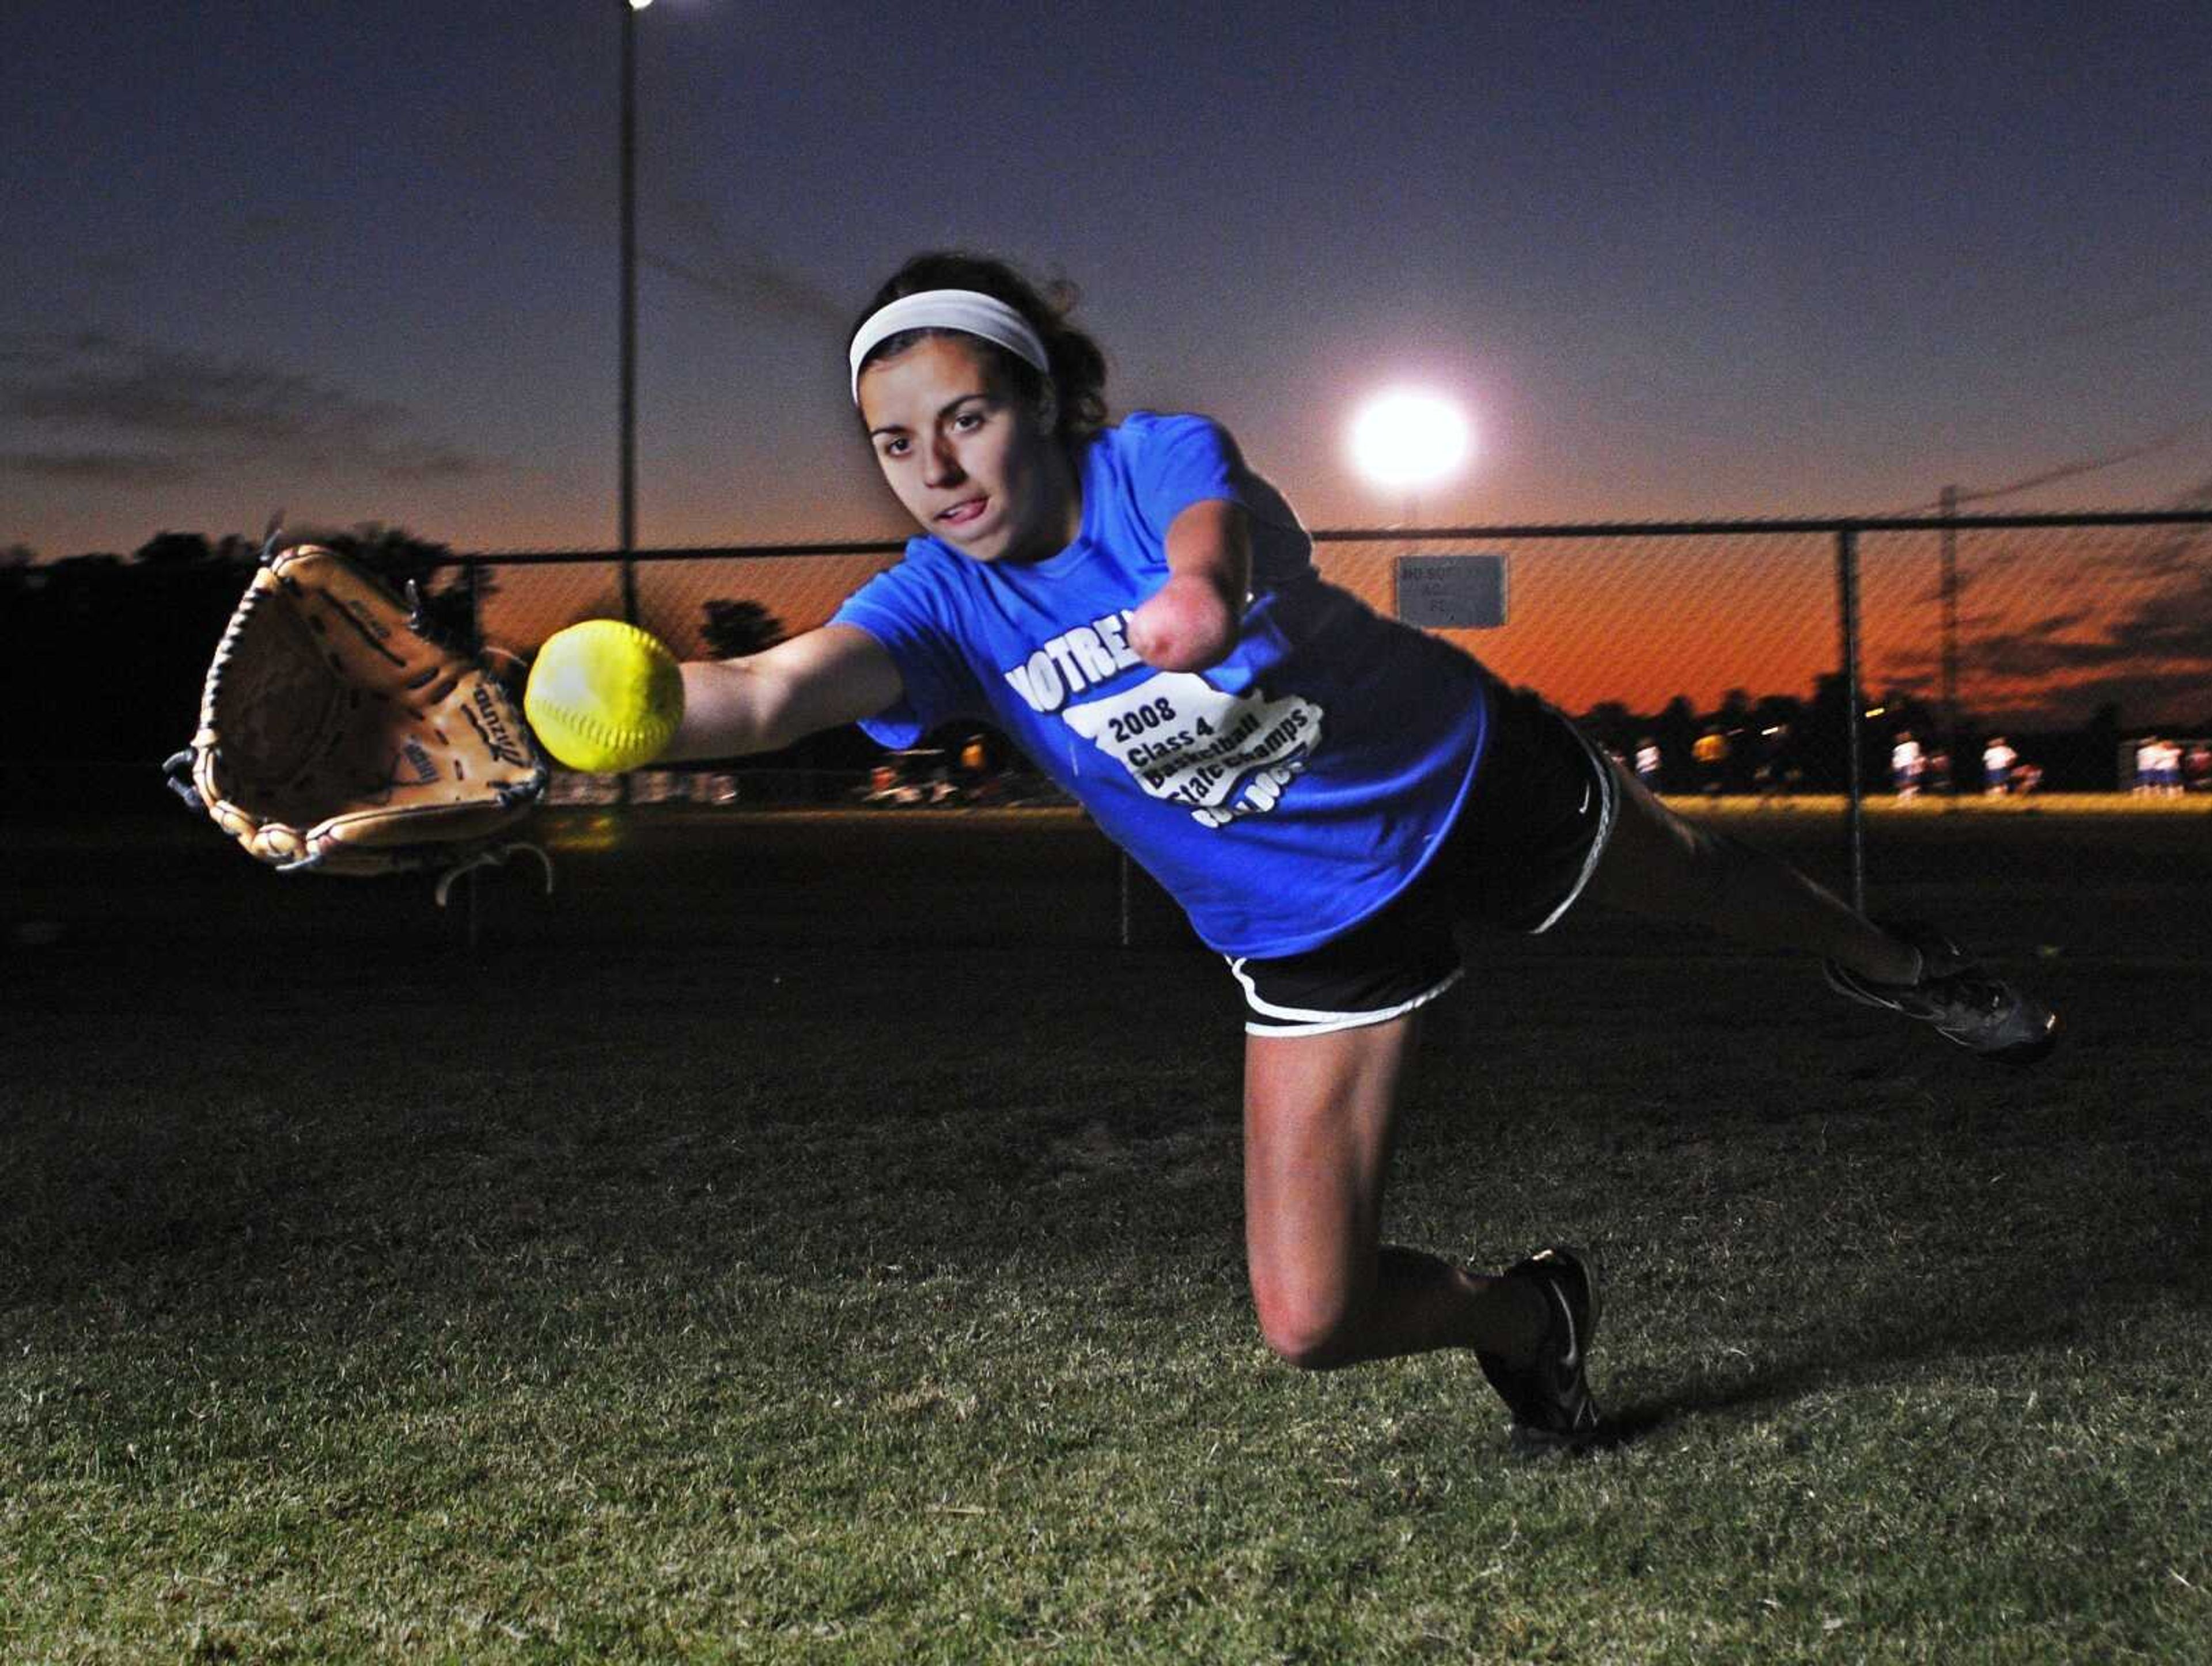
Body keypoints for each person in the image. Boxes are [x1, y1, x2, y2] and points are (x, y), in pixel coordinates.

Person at [585, 252, 2059, 1455]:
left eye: (963, 418)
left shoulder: (1150, 459)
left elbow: (1206, 547)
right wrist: (607, 731)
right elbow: (771, 690)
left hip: (1465, 778)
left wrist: (1194, 604)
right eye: (895, 444)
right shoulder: (934, 606)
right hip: (1301, 928)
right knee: (1311, 1319)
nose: (934, 469)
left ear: (1042, 399)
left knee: (1720, 883)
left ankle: (1897, 960)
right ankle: (1531, 1318)